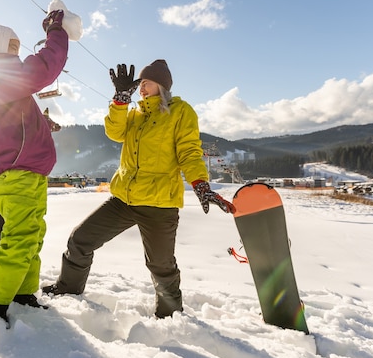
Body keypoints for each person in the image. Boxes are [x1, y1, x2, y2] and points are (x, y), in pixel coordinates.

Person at [42, 60, 236, 318]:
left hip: (159, 204)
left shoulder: (181, 112)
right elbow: (114, 131)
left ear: (163, 86)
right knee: (80, 240)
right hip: (124, 199)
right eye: (140, 84)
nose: (141, 89)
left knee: (161, 265)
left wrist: (200, 183)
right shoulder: (135, 114)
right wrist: (120, 101)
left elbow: (189, 152)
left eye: (147, 83)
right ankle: (68, 291)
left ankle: (170, 316)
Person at [0, 9, 69, 324]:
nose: (18, 55)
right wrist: (56, 30)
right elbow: (47, 64)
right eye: (13, 48)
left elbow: (10, 120)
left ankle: (22, 292)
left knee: (31, 235)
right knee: (20, 237)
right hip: (17, 174)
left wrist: (40, 123)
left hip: (28, 173)